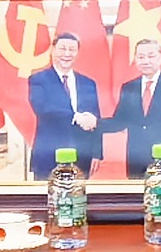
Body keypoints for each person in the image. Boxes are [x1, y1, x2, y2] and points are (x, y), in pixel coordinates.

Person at [99, 38, 161, 177]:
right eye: (141, 57)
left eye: (151, 56)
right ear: (135, 59)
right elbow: (119, 121)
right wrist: (94, 123)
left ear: (160, 58)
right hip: (136, 163)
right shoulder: (129, 87)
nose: (146, 61)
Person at [26, 30, 103, 179]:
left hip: (82, 157)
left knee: (78, 193)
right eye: (62, 48)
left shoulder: (88, 83)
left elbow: (95, 118)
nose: (67, 54)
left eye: (72, 49)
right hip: (49, 155)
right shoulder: (38, 79)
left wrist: (97, 153)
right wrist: (76, 117)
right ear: (52, 50)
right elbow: (42, 109)